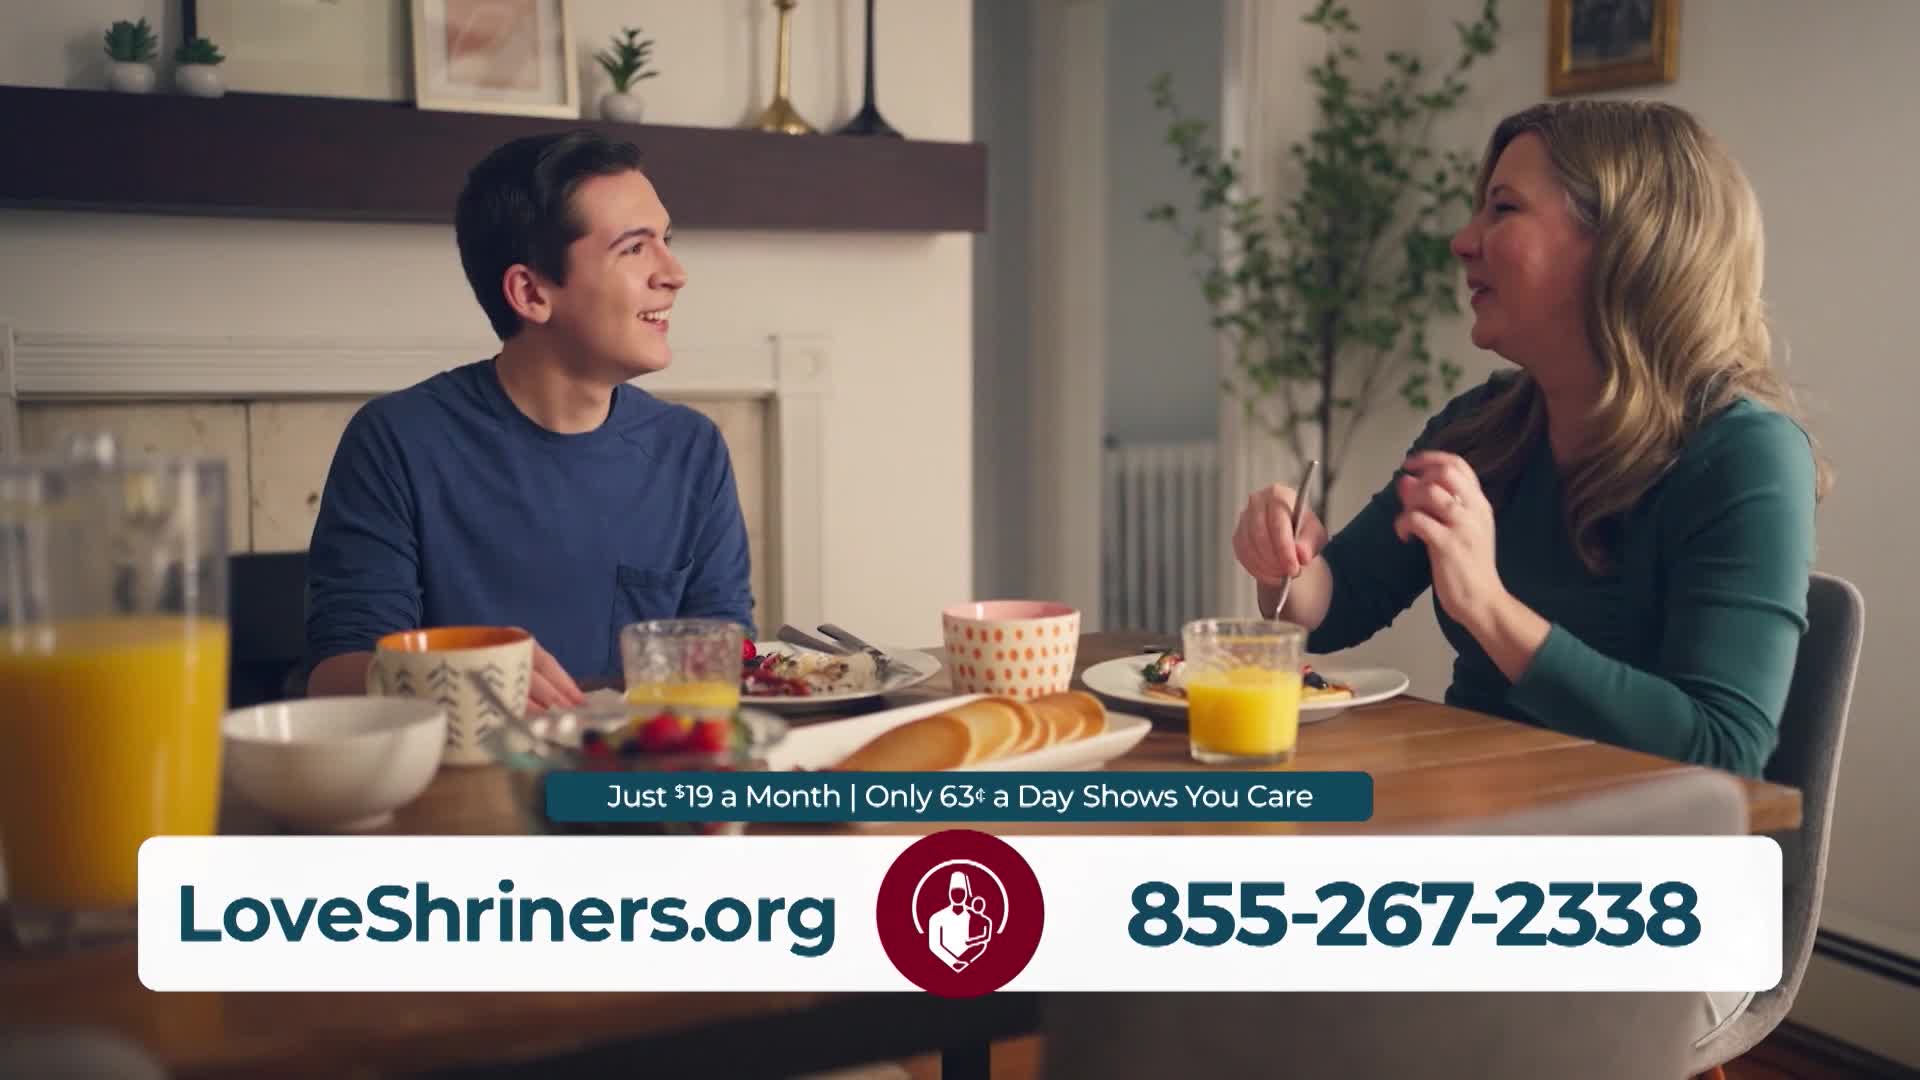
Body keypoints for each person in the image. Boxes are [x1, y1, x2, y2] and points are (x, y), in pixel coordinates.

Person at [1233, 99, 1827, 783]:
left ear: (1624, 245)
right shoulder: (1483, 428)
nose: (1462, 240)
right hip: (1472, 810)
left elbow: (1722, 752)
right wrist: (1286, 562)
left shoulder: (1746, 458)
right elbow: (1333, 611)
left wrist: (1488, 607)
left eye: (1503, 209)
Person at [303, 130, 757, 708]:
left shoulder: (692, 450)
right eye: (634, 248)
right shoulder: (395, 442)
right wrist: (463, 677)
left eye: (665, 241)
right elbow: (335, 672)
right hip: (464, 781)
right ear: (530, 292)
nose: (675, 273)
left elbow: (726, 656)